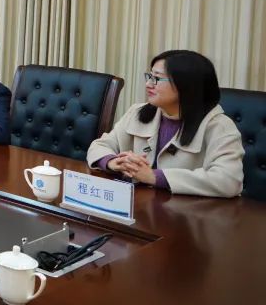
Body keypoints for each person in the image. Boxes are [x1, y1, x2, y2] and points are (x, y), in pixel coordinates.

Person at [87, 50, 244, 198]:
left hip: (185, 213)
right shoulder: (138, 112)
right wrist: (113, 162)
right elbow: (99, 145)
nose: (148, 84)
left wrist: (155, 177)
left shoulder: (219, 126)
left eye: (157, 78)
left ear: (185, 85)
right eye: (149, 76)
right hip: (137, 206)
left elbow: (229, 180)